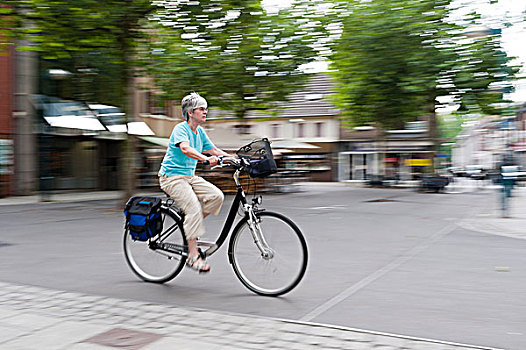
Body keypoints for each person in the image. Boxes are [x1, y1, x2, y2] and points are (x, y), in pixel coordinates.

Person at [158, 92, 232, 273]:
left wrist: (233, 158)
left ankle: (190, 223)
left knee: (216, 196)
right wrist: (205, 159)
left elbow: (213, 149)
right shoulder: (180, 129)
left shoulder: (200, 132)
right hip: (171, 177)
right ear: (190, 112)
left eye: (206, 109)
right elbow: (185, 148)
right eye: (201, 109)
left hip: (189, 177)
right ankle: (193, 256)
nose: (205, 112)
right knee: (193, 209)